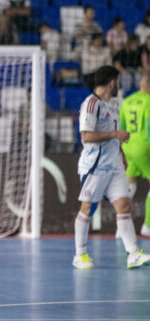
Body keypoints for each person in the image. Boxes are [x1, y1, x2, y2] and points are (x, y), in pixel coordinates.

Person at [73, 65, 150, 270]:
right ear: (112, 83)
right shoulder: (91, 104)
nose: (120, 86)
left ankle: (133, 253)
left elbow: (113, 134)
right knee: (87, 208)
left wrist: (122, 154)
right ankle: (80, 254)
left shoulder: (113, 106)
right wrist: (115, 135)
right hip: (95, 166)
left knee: (124, 206)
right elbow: (86, 136)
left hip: (114, 165)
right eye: (119, 82)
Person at [119, 72, 150, 237]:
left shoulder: (127, 101)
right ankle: (148, 226)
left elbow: (122, 126)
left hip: (127, 146)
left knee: (130, 185)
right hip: (142, 146)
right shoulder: (149, 102)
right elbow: (148, 128)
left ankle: (120, 228)